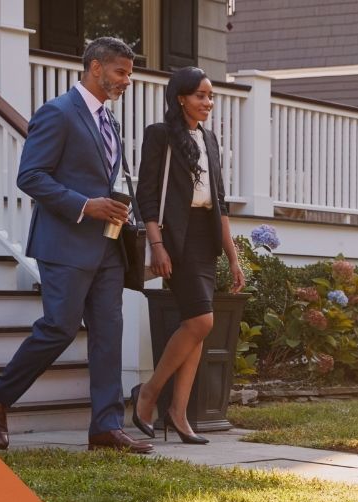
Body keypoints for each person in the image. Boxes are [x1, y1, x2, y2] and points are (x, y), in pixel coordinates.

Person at [0, 38, 149, 453]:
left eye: (129, 72)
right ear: (94, 68)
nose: (127, 80)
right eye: (120, 72)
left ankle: (106, 428)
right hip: (65, 243)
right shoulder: (57, 112)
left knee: (110, 332)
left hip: (107, 247)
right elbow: (31, 176)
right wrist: (86, 205)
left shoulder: (111, 121)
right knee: (59, 328)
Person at [129, 66, 244, 445]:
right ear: (181, 97)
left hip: (205, 240)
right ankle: (148, 394)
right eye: (200, 95)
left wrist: (232, 256)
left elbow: (220, 204)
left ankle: (178, 412)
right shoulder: (159, 136)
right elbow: (146, 196)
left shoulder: (209, 139)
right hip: (174, 239)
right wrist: (157, 244)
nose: (207, 102)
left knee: (198, 329)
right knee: (200, 321)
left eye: (210, 96)